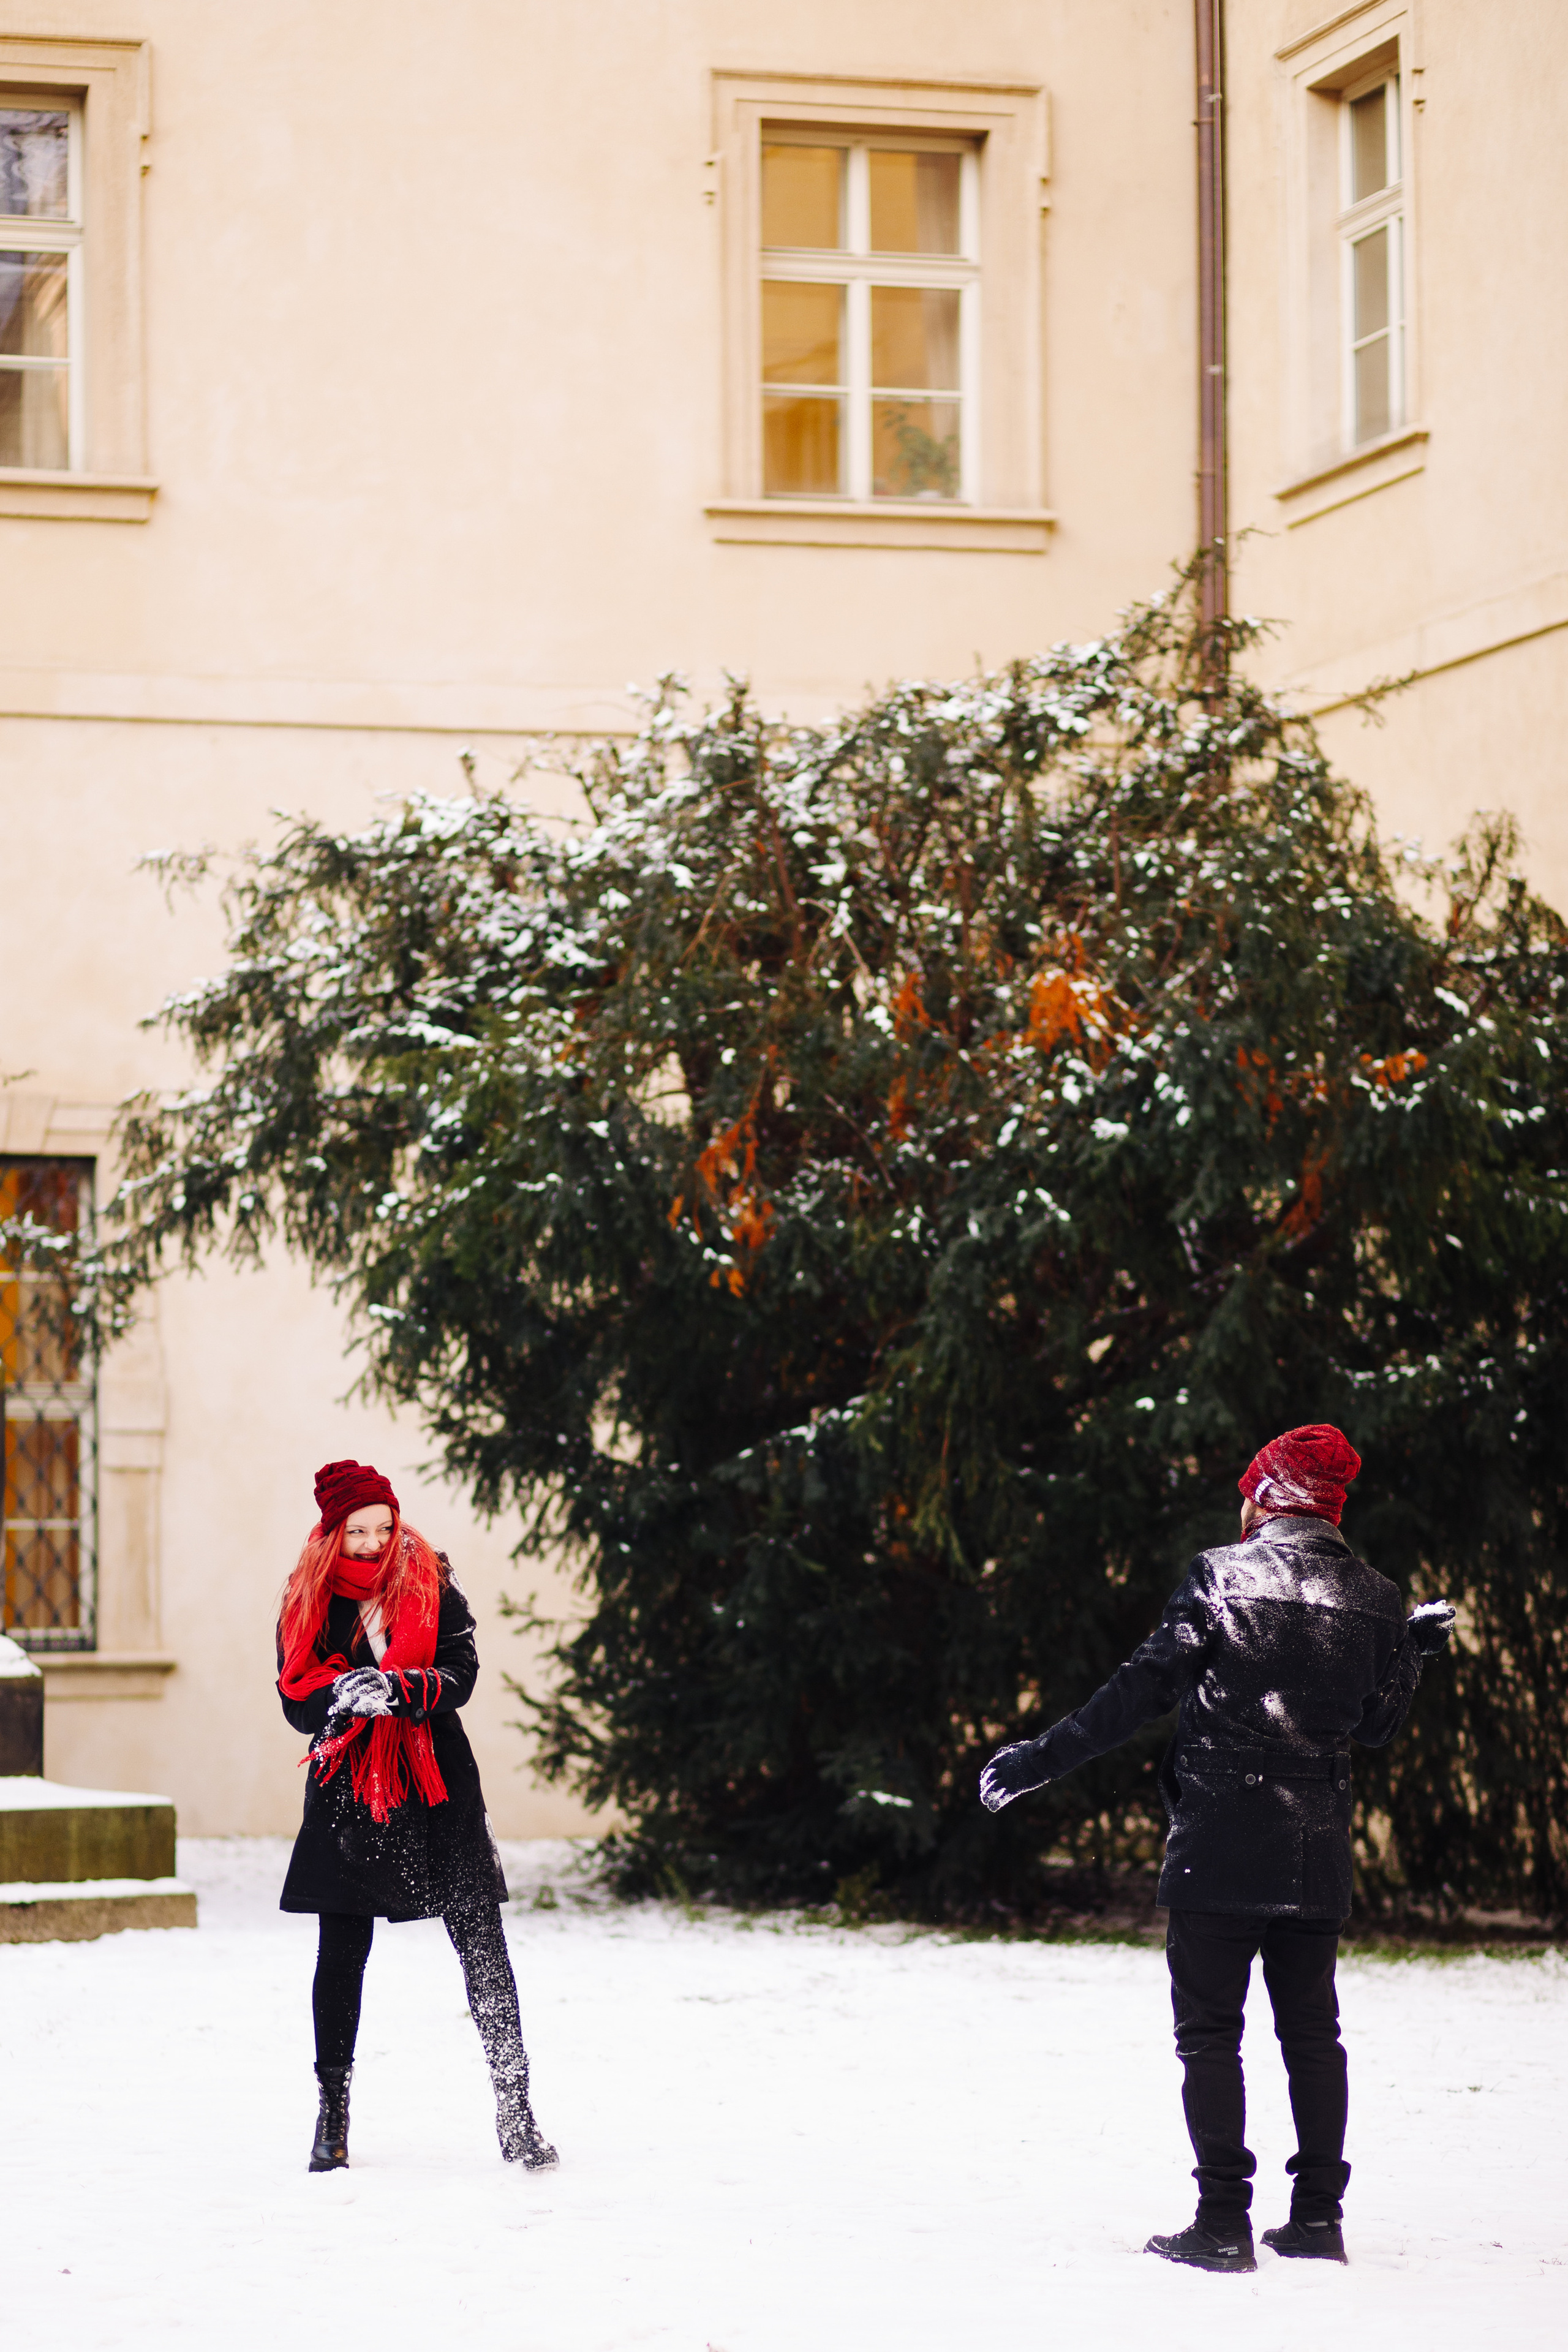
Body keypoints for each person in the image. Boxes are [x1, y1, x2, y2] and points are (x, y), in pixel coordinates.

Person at [980, 1423, 1454, 2273]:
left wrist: (1037, 1760)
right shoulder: (1378, 1597)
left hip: (1221, 1840)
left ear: (1269, 1495)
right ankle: (1316, 2221)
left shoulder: (1222, 1577)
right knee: (1313, 2034)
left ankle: (1222, 2222)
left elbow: (1140, 1691)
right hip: (1315, 1846)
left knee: (1210, 2034)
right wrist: (1410, 1654)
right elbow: (1377, 1729)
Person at [276, 1457, 558, 2174]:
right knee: (340, 1954)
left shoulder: (430, 1577)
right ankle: (331, 2116)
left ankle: (515, 2108)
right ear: (331, 1532)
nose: (374, 1543)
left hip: (437, 1787)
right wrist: (344, 1697)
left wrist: (401, 1689)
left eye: (383, 1526)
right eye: (357, 1531)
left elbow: (460, 1674)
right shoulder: (306, 1595)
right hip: (350, 1791)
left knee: (482, 1941)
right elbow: (295, 1698)